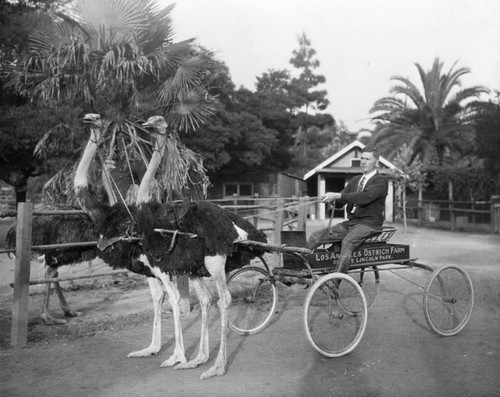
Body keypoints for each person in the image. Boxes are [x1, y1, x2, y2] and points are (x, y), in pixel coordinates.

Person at [307, 146, 388, 274]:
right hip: (351, 223)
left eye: (367, 159)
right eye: (362, 158)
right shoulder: (355, 180)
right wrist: (332, 200)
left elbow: (365, 197)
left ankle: (335, 282)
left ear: (377, 162)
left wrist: (338, 195)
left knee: (347, 242)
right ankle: (298, 268)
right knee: (315, 237)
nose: (363, 162)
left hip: (370, 224)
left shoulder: (381, 181)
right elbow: (341, 201)